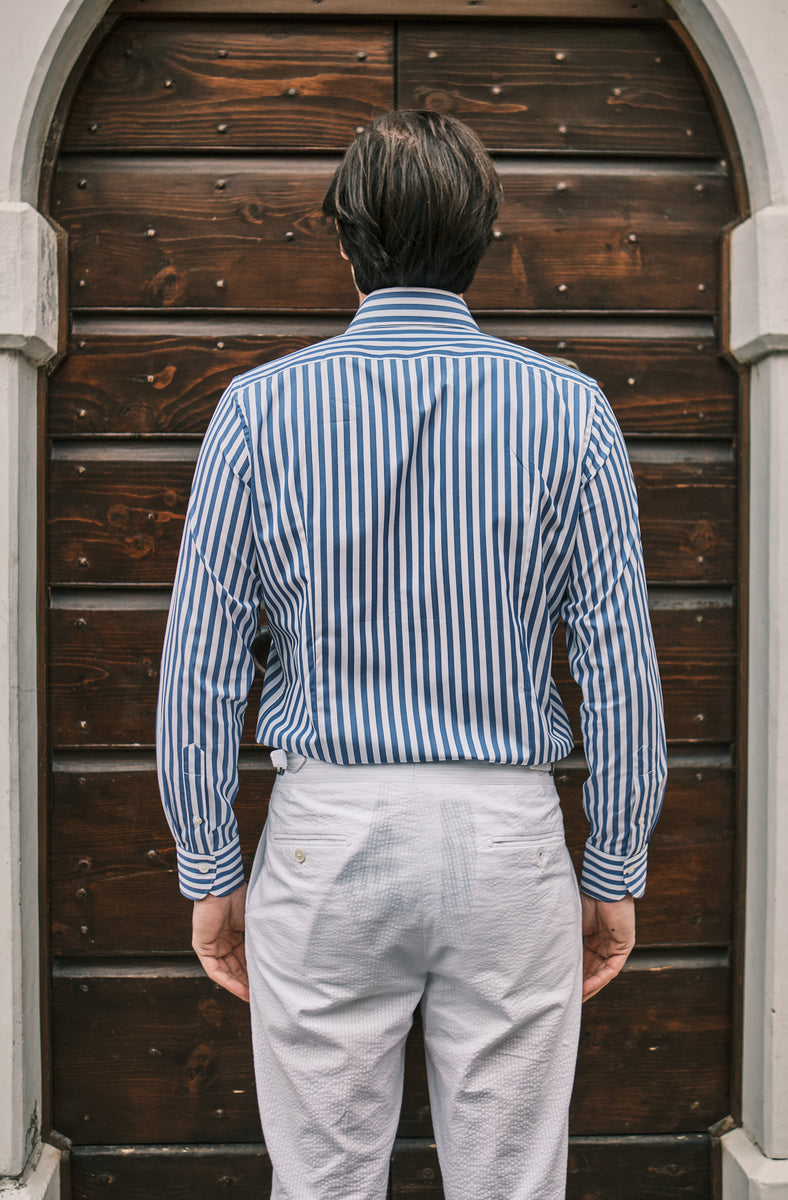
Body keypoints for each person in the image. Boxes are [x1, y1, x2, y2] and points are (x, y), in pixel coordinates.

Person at [156, 109, 667, 1200]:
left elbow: (200, 666)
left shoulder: (257, 412)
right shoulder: (569, 412)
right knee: (511, 1183)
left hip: (322, 837)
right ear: (482, 237)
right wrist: (614, 865)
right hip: (507, 842)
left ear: (344, 242)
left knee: (324, 1182)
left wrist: (209, 866)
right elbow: (618, 664)